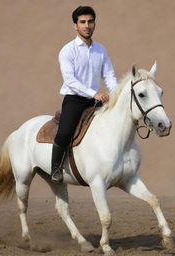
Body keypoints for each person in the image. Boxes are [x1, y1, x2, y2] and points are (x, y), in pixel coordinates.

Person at [51, 6, 117, 183]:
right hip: (75, 100)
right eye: (82, 22)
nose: (86, 25)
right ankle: (55, 168)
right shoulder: (67, 50)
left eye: (90, 21)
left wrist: (116, 94)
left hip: (95, 101)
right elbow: (70, 81)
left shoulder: (101, 50)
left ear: (95, 24)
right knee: (64, 132)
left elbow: (109, 75)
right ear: (75, 25)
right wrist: (93, 93)